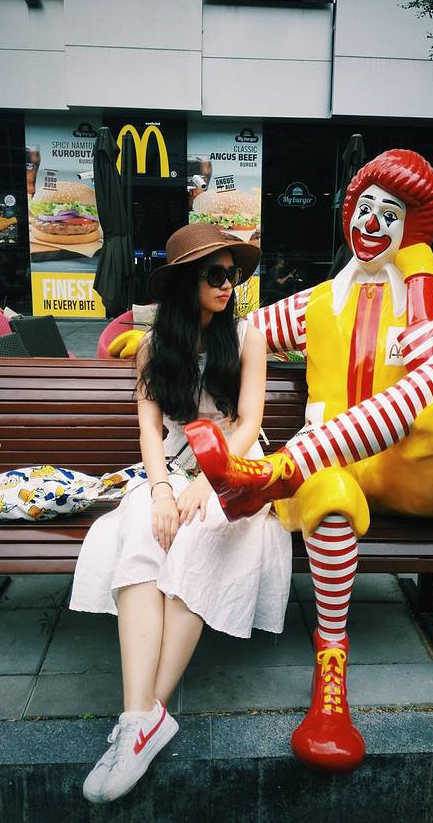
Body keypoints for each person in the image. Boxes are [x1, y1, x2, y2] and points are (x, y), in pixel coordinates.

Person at [183, 149, 433, 774]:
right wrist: (150, 331)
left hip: (427, 471)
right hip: (343, 469)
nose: (372, 222)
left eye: (390, 214)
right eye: (364, 207)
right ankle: (331, 677)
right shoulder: (320, 302)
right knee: (328, 495)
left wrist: (432, 304)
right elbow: (240, 331)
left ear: (411, 230)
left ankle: (273, 474)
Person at [69, 223, 292, 804]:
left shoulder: (246, 337)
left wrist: (208, 483)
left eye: (233, 274)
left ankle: (144, 720)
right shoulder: (152, 348)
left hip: (233, 468)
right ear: (183, 283)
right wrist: (165, 489)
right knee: (141, 534)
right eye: (214, 274)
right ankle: (140, 718)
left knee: (200, 538)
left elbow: (249, 423)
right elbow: (149, 430)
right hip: (169, 469)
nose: (228, 284)